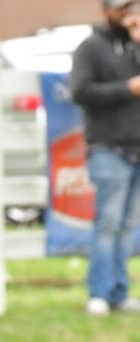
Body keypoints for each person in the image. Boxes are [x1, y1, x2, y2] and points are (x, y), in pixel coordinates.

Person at [70, 0, 140, 316]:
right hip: (109, 147)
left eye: (132, 6)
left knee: (128, 226)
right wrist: (126, 88)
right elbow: (81, 91)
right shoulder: (90, 47)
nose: (128, 13)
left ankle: (119, 292)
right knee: (108, 224)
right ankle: (98, 292)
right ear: (106, 11)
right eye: (121, 7)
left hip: (137, 147)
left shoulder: (135, 46)